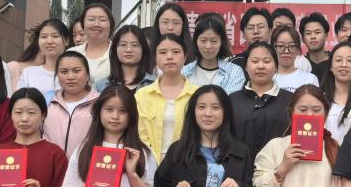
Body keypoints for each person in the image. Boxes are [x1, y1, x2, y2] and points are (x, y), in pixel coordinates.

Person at [230, 42, 293, 187]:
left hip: (279, 179)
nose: (260, 66)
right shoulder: (231, 101)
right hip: (236, 181)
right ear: (246, 66)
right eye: (254, 61)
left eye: (266, 61)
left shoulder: (291, 101)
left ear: (276, 66)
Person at [136, 33, 197, 164]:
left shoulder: (197, 95)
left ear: (185, 57)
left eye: (176, 52)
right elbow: (140, 135)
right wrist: (151, 164)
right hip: (149, 163)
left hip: (187, 163)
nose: (169, 56)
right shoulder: (142, 95)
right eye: (163, 52)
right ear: (155, 58)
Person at [44, 49, 100, 161]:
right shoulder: (47, 101)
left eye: (76, 71)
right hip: (51, 167)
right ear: (57, 75)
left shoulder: (100, 102)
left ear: (87, 74)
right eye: (64, 72)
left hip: (85, 167)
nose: (70, 77)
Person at [183, 14, 245, 93]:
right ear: (196, 41)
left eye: (214, 41)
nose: (208, 46)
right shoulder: (184, 72)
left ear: (221, 42)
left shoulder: (234, 72)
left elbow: (232, 99)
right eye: (203, 40)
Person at [16, 19, 69, 103]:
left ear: (66, 41)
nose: (49, 41)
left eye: (55, 36)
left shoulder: (74, 73)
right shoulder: (28, 73)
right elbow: (19, 103)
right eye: (44, 37)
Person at [321, 41, 351, 144]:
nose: (344, 65)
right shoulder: (319, 98)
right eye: (338, 60)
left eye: (350, 60)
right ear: (331, 66)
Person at [102, 24, 156, 92]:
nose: (129, 50)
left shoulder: (155, 83)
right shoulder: (102, 85)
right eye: (123, 44)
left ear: (144, 49)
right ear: (115, 49)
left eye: (134, 45)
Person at [78, 2, 116, 86]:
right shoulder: (73, 52)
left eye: (102, 20)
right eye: (91, 19)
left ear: (111, 25)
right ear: (83, 24)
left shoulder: (119, 52)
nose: (96, 24)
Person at [273, 26, 319, 91]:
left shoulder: (310, 79)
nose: (286, 51)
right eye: (280, 46)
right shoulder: (266, 79)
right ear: (272, 49)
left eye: (291, 46)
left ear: (298, 50)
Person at [299, 11, 332, 79]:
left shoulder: (334, 62)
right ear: (303, 39)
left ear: (326, 35)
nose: (313, 37)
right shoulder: (299, 64)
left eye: (317, 32)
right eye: (308, 33)